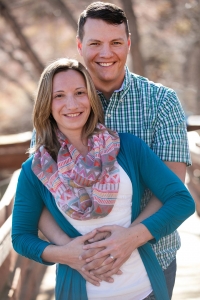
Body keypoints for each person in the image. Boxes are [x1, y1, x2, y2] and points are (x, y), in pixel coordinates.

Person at [30, 2, 191, 298]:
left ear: (128, 44)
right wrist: (69, 248)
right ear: (80, 46)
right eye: (95, 43)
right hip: (83, 266)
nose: (106, 53)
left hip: (153, 256)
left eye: (116, 42)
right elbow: (38, 182)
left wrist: (128, 240)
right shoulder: (61, 104)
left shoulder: (162, 103)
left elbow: (172, 188)